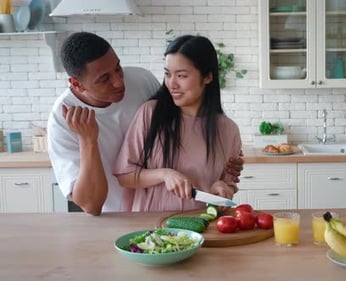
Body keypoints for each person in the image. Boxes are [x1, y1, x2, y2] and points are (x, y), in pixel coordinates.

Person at [47, 32, 243, 216]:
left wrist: (224, 181)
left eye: (118, 68)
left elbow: (220, 173)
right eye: (104, 79)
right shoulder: (62, 120)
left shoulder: (141, 81)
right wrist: (88, 139)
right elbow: (92, 203)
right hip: (121, 215)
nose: (118, 82)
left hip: (195, 219)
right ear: (76, 84)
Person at [113, 35, 241, 212]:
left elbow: (227, 183)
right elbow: (124, 175)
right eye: (167, 74)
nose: (171, 84)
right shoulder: (150, 113)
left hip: (201, 226)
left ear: (207, 77)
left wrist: (220, 188)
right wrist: (164, 174)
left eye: (181, 75)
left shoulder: (228, 130)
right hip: (152, 228)